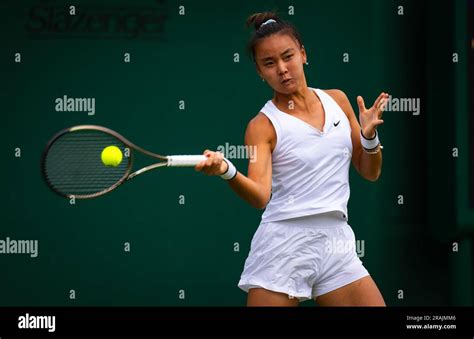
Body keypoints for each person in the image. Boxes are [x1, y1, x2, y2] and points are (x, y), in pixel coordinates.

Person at [195, 11, 386, 307]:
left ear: (303, 54)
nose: (282, 69)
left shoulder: (338, 101)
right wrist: (226, 170)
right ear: (259, 71)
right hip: (283, 246)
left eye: (288, 56)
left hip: (336, 242)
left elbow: (369, 171)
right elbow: (260, 196)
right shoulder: (262, 126)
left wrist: (369, 138)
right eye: (269, 63)